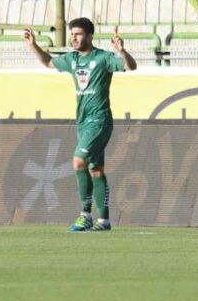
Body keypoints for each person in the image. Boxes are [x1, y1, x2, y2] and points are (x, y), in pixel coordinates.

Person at [23, 18, 137, 231]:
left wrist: (121, 51)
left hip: (100, 120)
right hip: (83, 123)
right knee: (96, 170)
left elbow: (130, 66)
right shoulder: (72, 59)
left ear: (90, 35)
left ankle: (85, 215)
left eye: (78, 34)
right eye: (72, 34)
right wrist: (33, 46)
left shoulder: (102, 58)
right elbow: (48, 62)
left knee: (78, 161)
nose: (73, 38)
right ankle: (103, 221)